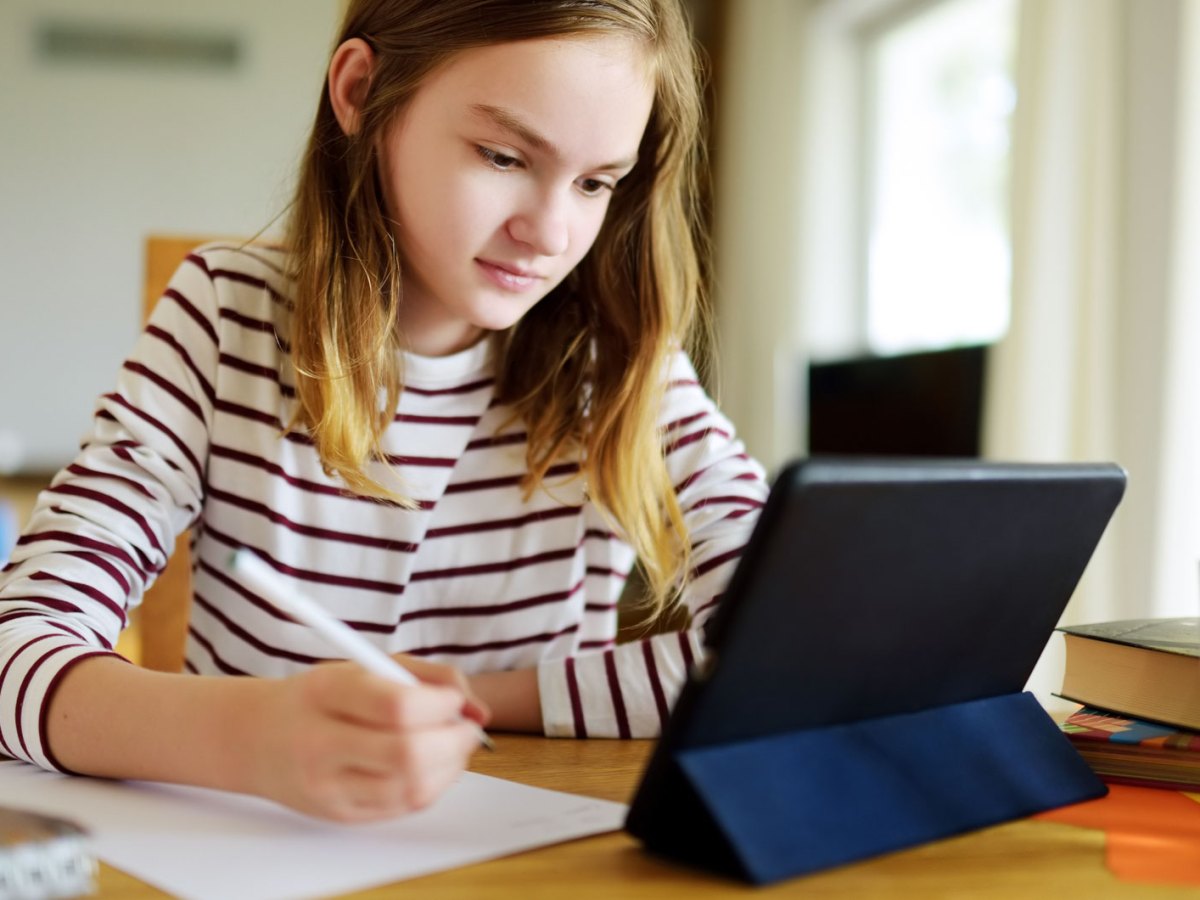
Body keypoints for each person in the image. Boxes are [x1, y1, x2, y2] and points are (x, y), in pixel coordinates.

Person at [0, 0, 767, 823]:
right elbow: (17, 649)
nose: (549, 232)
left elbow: (778, 654)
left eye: (595, 183)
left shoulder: (620, 364)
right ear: (362, 91)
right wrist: (248, 735)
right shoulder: (228, 315)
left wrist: (462, 700)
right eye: (504, 156)